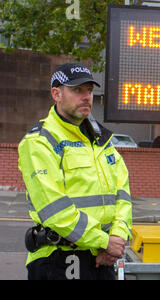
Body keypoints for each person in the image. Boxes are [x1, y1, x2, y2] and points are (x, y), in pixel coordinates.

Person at [18, 62, 133, 280]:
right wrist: (104, 241)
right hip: (59, 260)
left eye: (89, 90)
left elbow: (123, 194)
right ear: (56, 94)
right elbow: (54, 210)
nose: (86, 96)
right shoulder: (40, 141)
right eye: (77, 90)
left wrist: (116, 238)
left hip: (102, 259)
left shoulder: (102, 141)